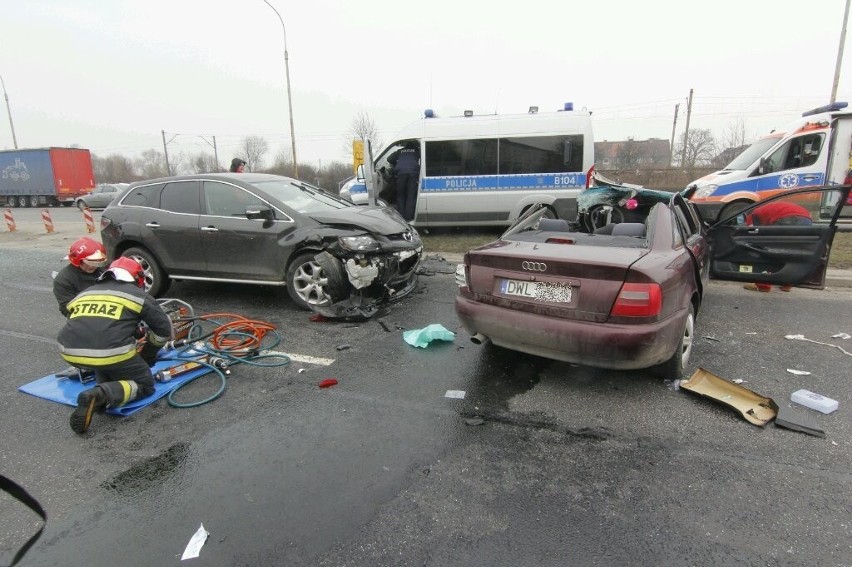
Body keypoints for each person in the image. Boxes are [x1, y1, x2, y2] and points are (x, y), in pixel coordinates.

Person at [58, 257, 173, 435]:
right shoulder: (139, 296)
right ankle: (99, 395)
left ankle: (103, 383)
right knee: (145, 385)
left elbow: (96, 320)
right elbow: (163, 330)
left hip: (69, 351)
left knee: (108, 364)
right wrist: (148, 354)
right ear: (137, 278)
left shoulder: (86, 292)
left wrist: (131, 330)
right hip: (110, 352)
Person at [743, 201, 812, 292]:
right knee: (791, 251)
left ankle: (763, 284)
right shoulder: (768, 208)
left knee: (770, 249)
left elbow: (754, 233)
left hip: (786, 219)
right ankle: (787, 283)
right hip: (806, 219)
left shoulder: (753, 214)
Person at [53, 237, 108, 317]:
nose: (93, 266)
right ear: (79, 260)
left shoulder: (104, 269)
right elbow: (67, 309)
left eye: (97, 262)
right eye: (89, 262)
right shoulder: (63, 280)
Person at [393, 141, 420, 222]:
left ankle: (401, 217)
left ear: (405, 146)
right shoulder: (417, 151)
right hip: (413, 173)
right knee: (410, 195)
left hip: (401, 173)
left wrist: (397, 164)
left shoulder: (400, 151)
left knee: (401, 195)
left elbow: (389, 159)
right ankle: (408, 217)